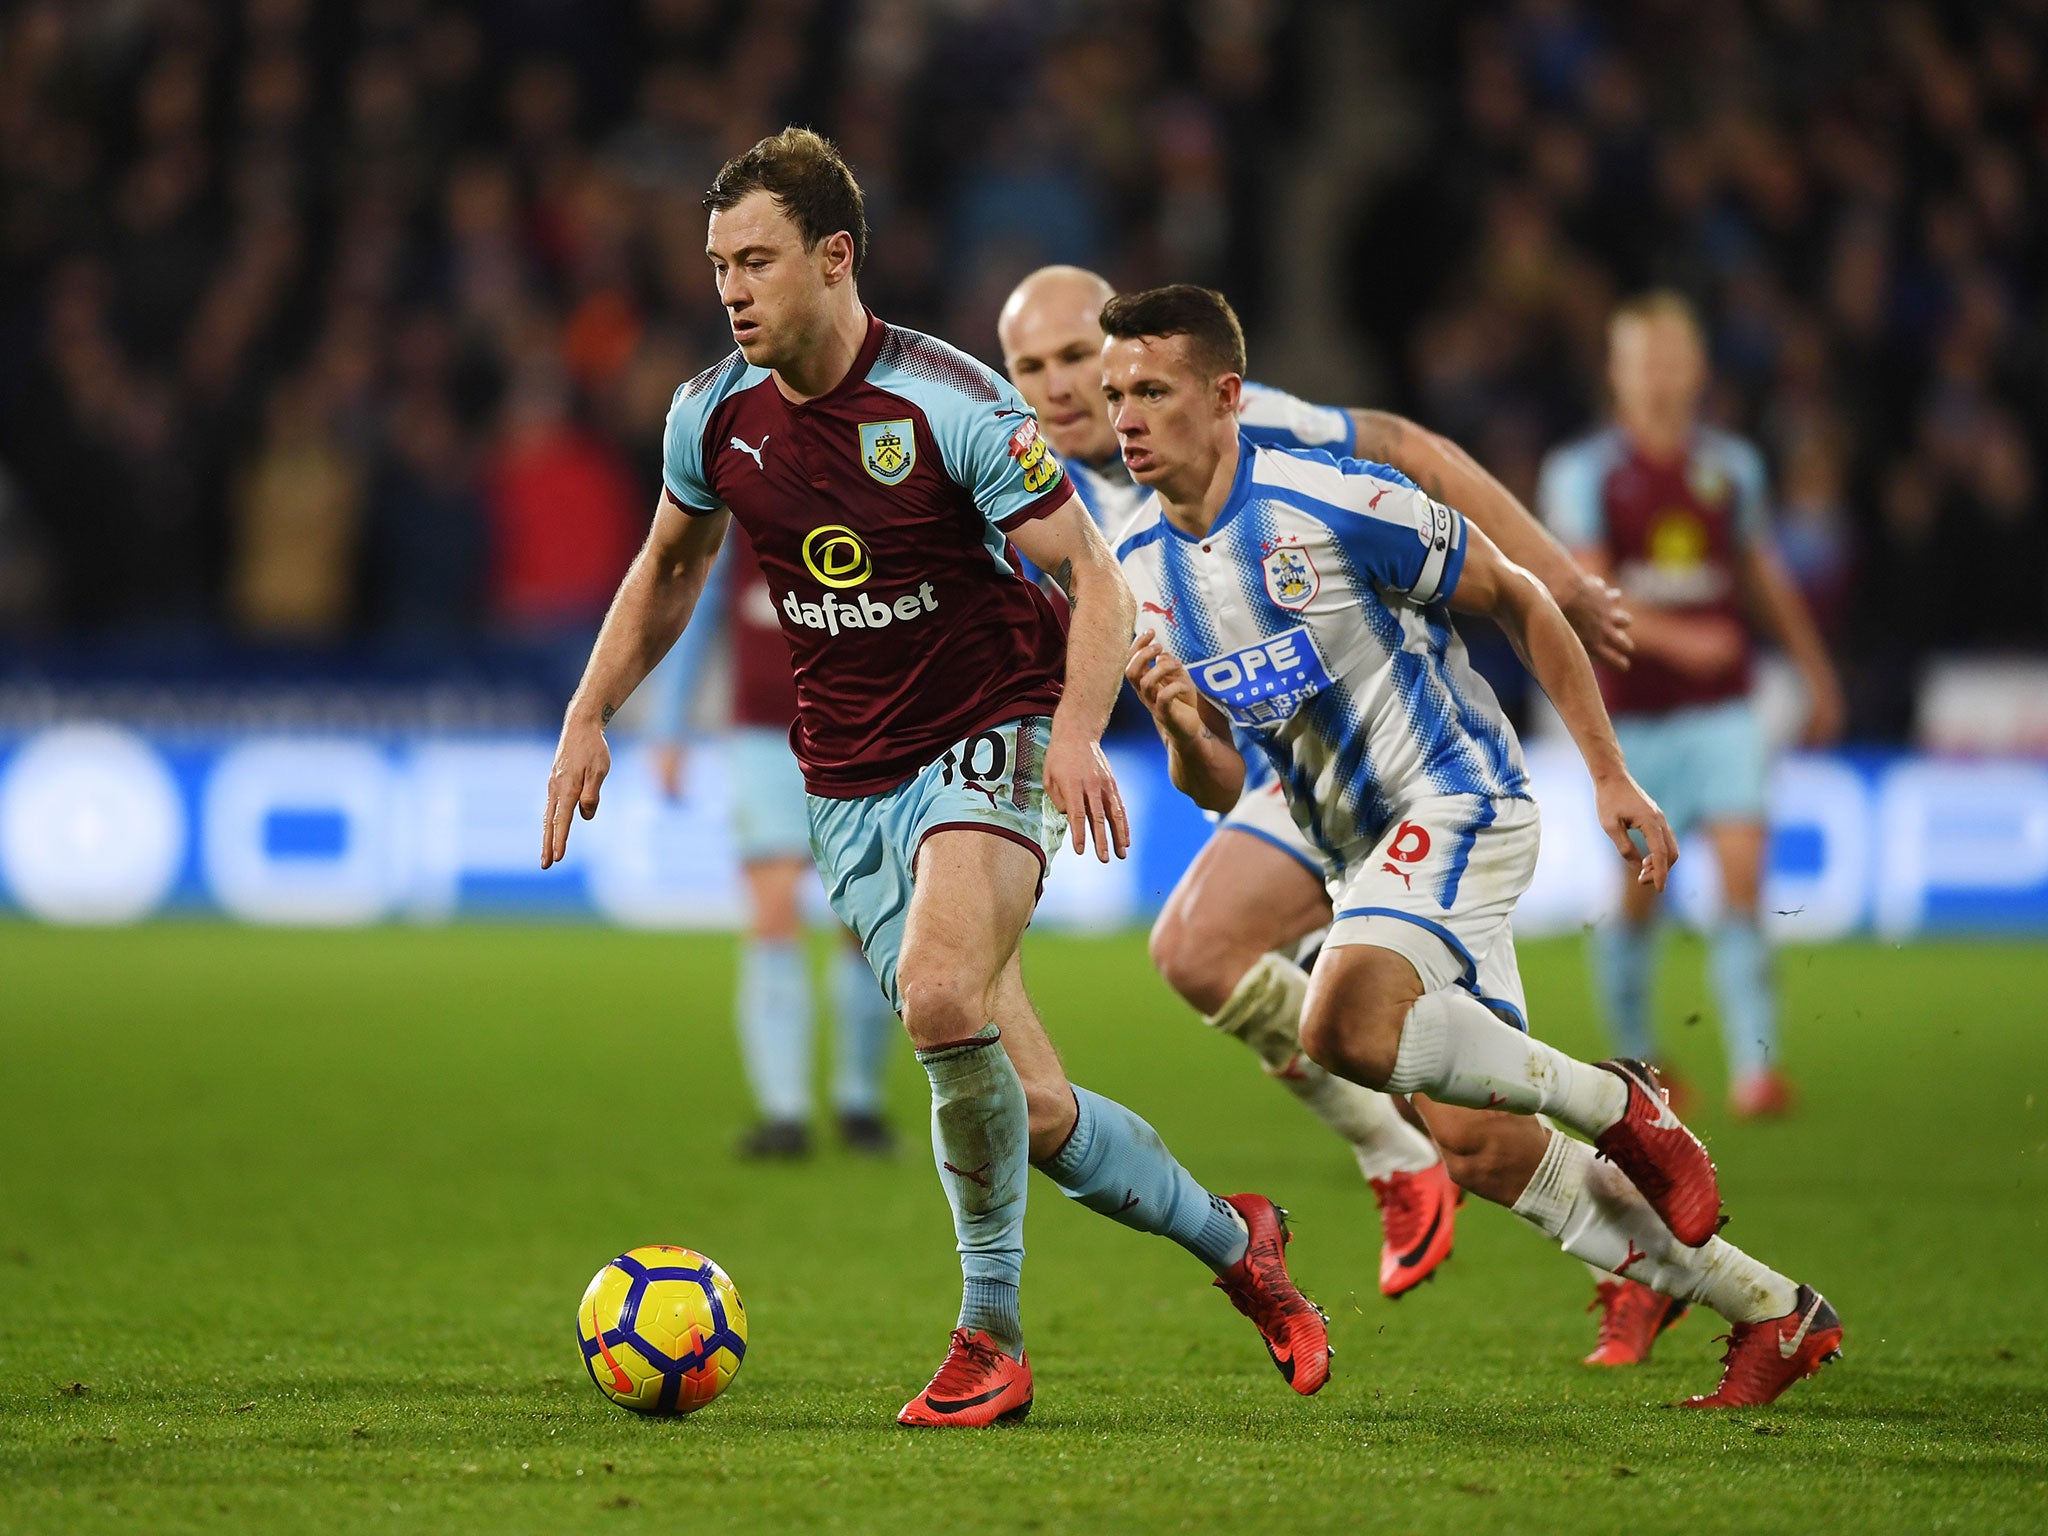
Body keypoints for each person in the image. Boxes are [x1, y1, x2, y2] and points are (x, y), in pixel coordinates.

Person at [542, 130, 1330, 1429]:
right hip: (845, 778)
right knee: (1031, 1105)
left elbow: (1093, 572)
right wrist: (588, 713)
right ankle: (1240, 1243)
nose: (729, 288)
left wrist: (1076, 732)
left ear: (835, 258)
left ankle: (990, 1339)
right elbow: (670, 566)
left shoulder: (949, 405)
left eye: (756, 261)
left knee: (939, 989)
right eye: (716, 265)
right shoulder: (713, 416)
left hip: (990, 729)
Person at [1109, 284, 1843, 1410]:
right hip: (1358, 854)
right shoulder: (1137, 571)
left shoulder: (1329, 501)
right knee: (1482, 1152)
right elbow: (1214, 788)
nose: (1124, 415)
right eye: (1115, 393)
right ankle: (1773, 1312)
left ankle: (1617, 1106)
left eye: (1149, 390)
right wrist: (1174, 725)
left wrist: (1604, 771)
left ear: (1223, 397)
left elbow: (1518, 600)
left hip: (1458, 798)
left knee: (1340, 1021)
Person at [997, 264, 1634, 1299]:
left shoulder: (1236, 429)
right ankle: (1580, 1223)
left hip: (1390, 743)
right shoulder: (1042, 491)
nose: (1064, 388)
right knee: (1445, 1107)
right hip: (1286, 755)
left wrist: (1551, 575)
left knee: (1218, 955)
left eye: (1079, 358)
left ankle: (1465, 1164)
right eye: (1031, 368)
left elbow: (1407, 450)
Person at [1539, 292, 1846, 1126]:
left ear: (1698, 368)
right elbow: (1589, 589)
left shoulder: (1732, 467)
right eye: (1644, 360)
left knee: (1744, 875)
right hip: (1631, 718)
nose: (1660, 376)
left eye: (1673, 358)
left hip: (1724, 708)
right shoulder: (1584, 472)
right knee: (1641, 891)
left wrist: (1815, 669)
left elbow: (1760, 574)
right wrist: (1680, 641)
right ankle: (1641, 1060)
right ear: (1617, 371)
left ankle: (1757, 1068)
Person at [641, 523, 898, 1159]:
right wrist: (670, 727)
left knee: (863, 921)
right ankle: (785, 1113)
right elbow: (692, 613)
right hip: (762, 739)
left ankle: (858, 1102)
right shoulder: (736, 516)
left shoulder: (864, 498)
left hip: (860, 734)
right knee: (774, 908)